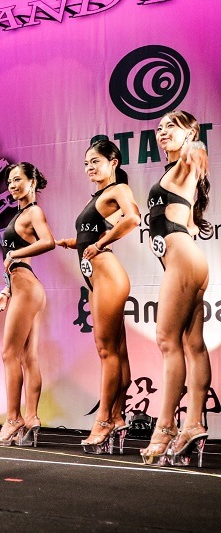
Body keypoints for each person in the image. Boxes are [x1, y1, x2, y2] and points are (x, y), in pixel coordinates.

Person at [55, 140, 141, 454]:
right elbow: (91, 233)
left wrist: (100, 243)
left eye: (95, 161)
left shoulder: (118, 189)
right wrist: (73, 242)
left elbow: (133, 218)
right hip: (97, 279)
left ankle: (103, 420)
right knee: (116, 351)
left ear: (113, 162)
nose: (89, 168)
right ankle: (116, 417)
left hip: (108, 276)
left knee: (107, 352)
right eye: (86, 163)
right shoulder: (100, 196)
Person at [140, 110, 211, 467]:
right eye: (159, 127)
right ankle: (193, 422)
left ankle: (165, 426)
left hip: (182, 260)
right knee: (192, 344)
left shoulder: (185, 162)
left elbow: (196, 153)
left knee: (168, 341)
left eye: (172, 126)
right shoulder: (175, 173)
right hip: (190, 259)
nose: (163, 131)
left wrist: (196, 148)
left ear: (190, 133)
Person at [0, 162, 55, 446]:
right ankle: (31, 418)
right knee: (28, 357)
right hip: (23, 287)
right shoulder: (21, 215)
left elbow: (48, 242)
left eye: (18, 180)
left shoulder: (33, 212)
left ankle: (13, 419)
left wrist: (14, 254)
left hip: (27, 289)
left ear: (32, 182)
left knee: (9, 354)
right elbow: (18, 259)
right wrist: (5, 291)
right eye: (9, 181)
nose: (12, 185)